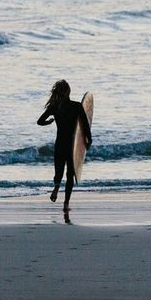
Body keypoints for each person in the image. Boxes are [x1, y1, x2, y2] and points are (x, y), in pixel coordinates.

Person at [38, 80, 91, 211]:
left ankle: (56, 187)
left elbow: (40, 121)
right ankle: (66, 204)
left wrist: (49, 121)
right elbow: (85, 126)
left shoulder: (54, 107)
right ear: (69, 92)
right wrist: (88, 141)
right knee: (70, 176)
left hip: (60, 144)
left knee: (59, 172)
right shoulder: (77, 106)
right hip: (72, 146)